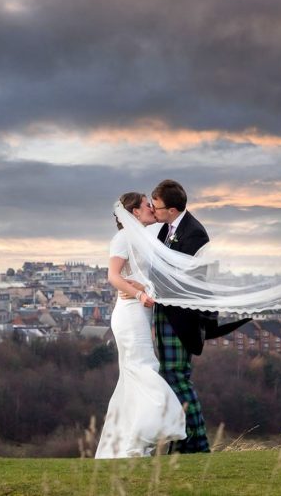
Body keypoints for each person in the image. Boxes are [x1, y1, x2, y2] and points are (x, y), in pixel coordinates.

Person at [150, 179, 249, 454]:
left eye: (156, 206)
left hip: (182, 318)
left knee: (177, 376)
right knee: (171, 376)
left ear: (171, 209)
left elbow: (190, 280)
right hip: (166, 313)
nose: (153, 210)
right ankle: (184, 442)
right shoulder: (166, 230)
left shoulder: (195, 234)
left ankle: (197, 442)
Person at [94, 192, 186, 459]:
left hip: (141, 312)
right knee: (144, 368)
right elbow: (113, 275)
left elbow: (145, 276)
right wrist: (139, 294)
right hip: (130, 313)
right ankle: (157, 424)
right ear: (134, 212)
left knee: (133, 376)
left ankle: (129, 445)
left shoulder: (144, 238)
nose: (152, 208)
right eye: (147, 205)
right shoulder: (122, 238)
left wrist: (143, 287)